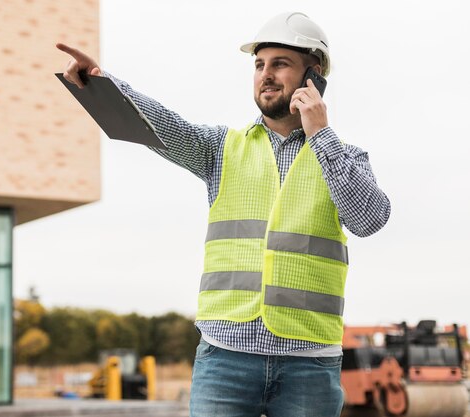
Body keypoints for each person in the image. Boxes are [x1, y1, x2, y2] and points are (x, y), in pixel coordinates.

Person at [58, 11, 390, 417]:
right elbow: (161, 126)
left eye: (279, 64)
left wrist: (321, 134)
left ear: (313, 75)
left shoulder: (344, 157)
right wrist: (102, 83)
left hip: (311, 363)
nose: (265, 75)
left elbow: (369, 219)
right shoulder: (221, 148)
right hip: (226, 357)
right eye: (259, 65)